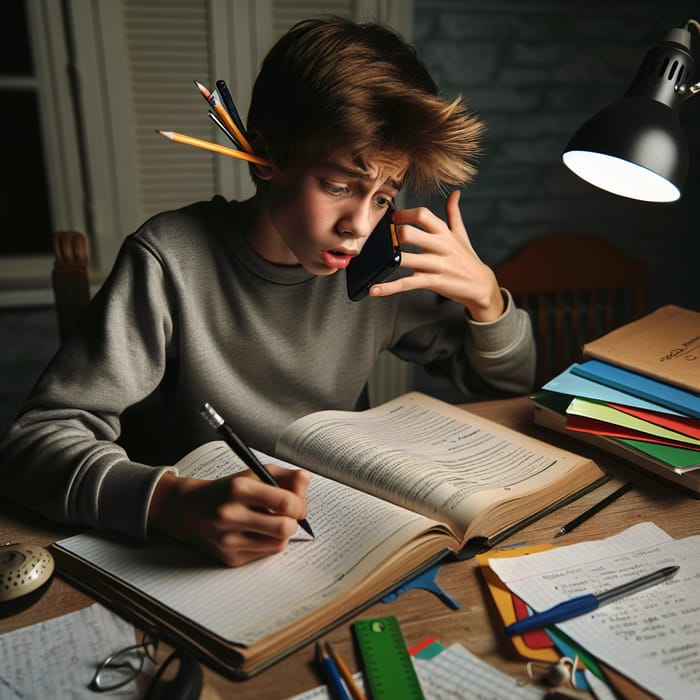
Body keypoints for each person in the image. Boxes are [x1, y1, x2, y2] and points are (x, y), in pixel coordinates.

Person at [0, 16, 535, 567]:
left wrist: (488, 303)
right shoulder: (171, 260)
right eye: (337, 185)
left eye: (382, 197)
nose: (358, 224)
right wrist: (167, 503)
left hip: (344, 534)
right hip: (200, 543)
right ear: (264, 156)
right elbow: (30, 445)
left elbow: (511, 386)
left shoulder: (377, 266)